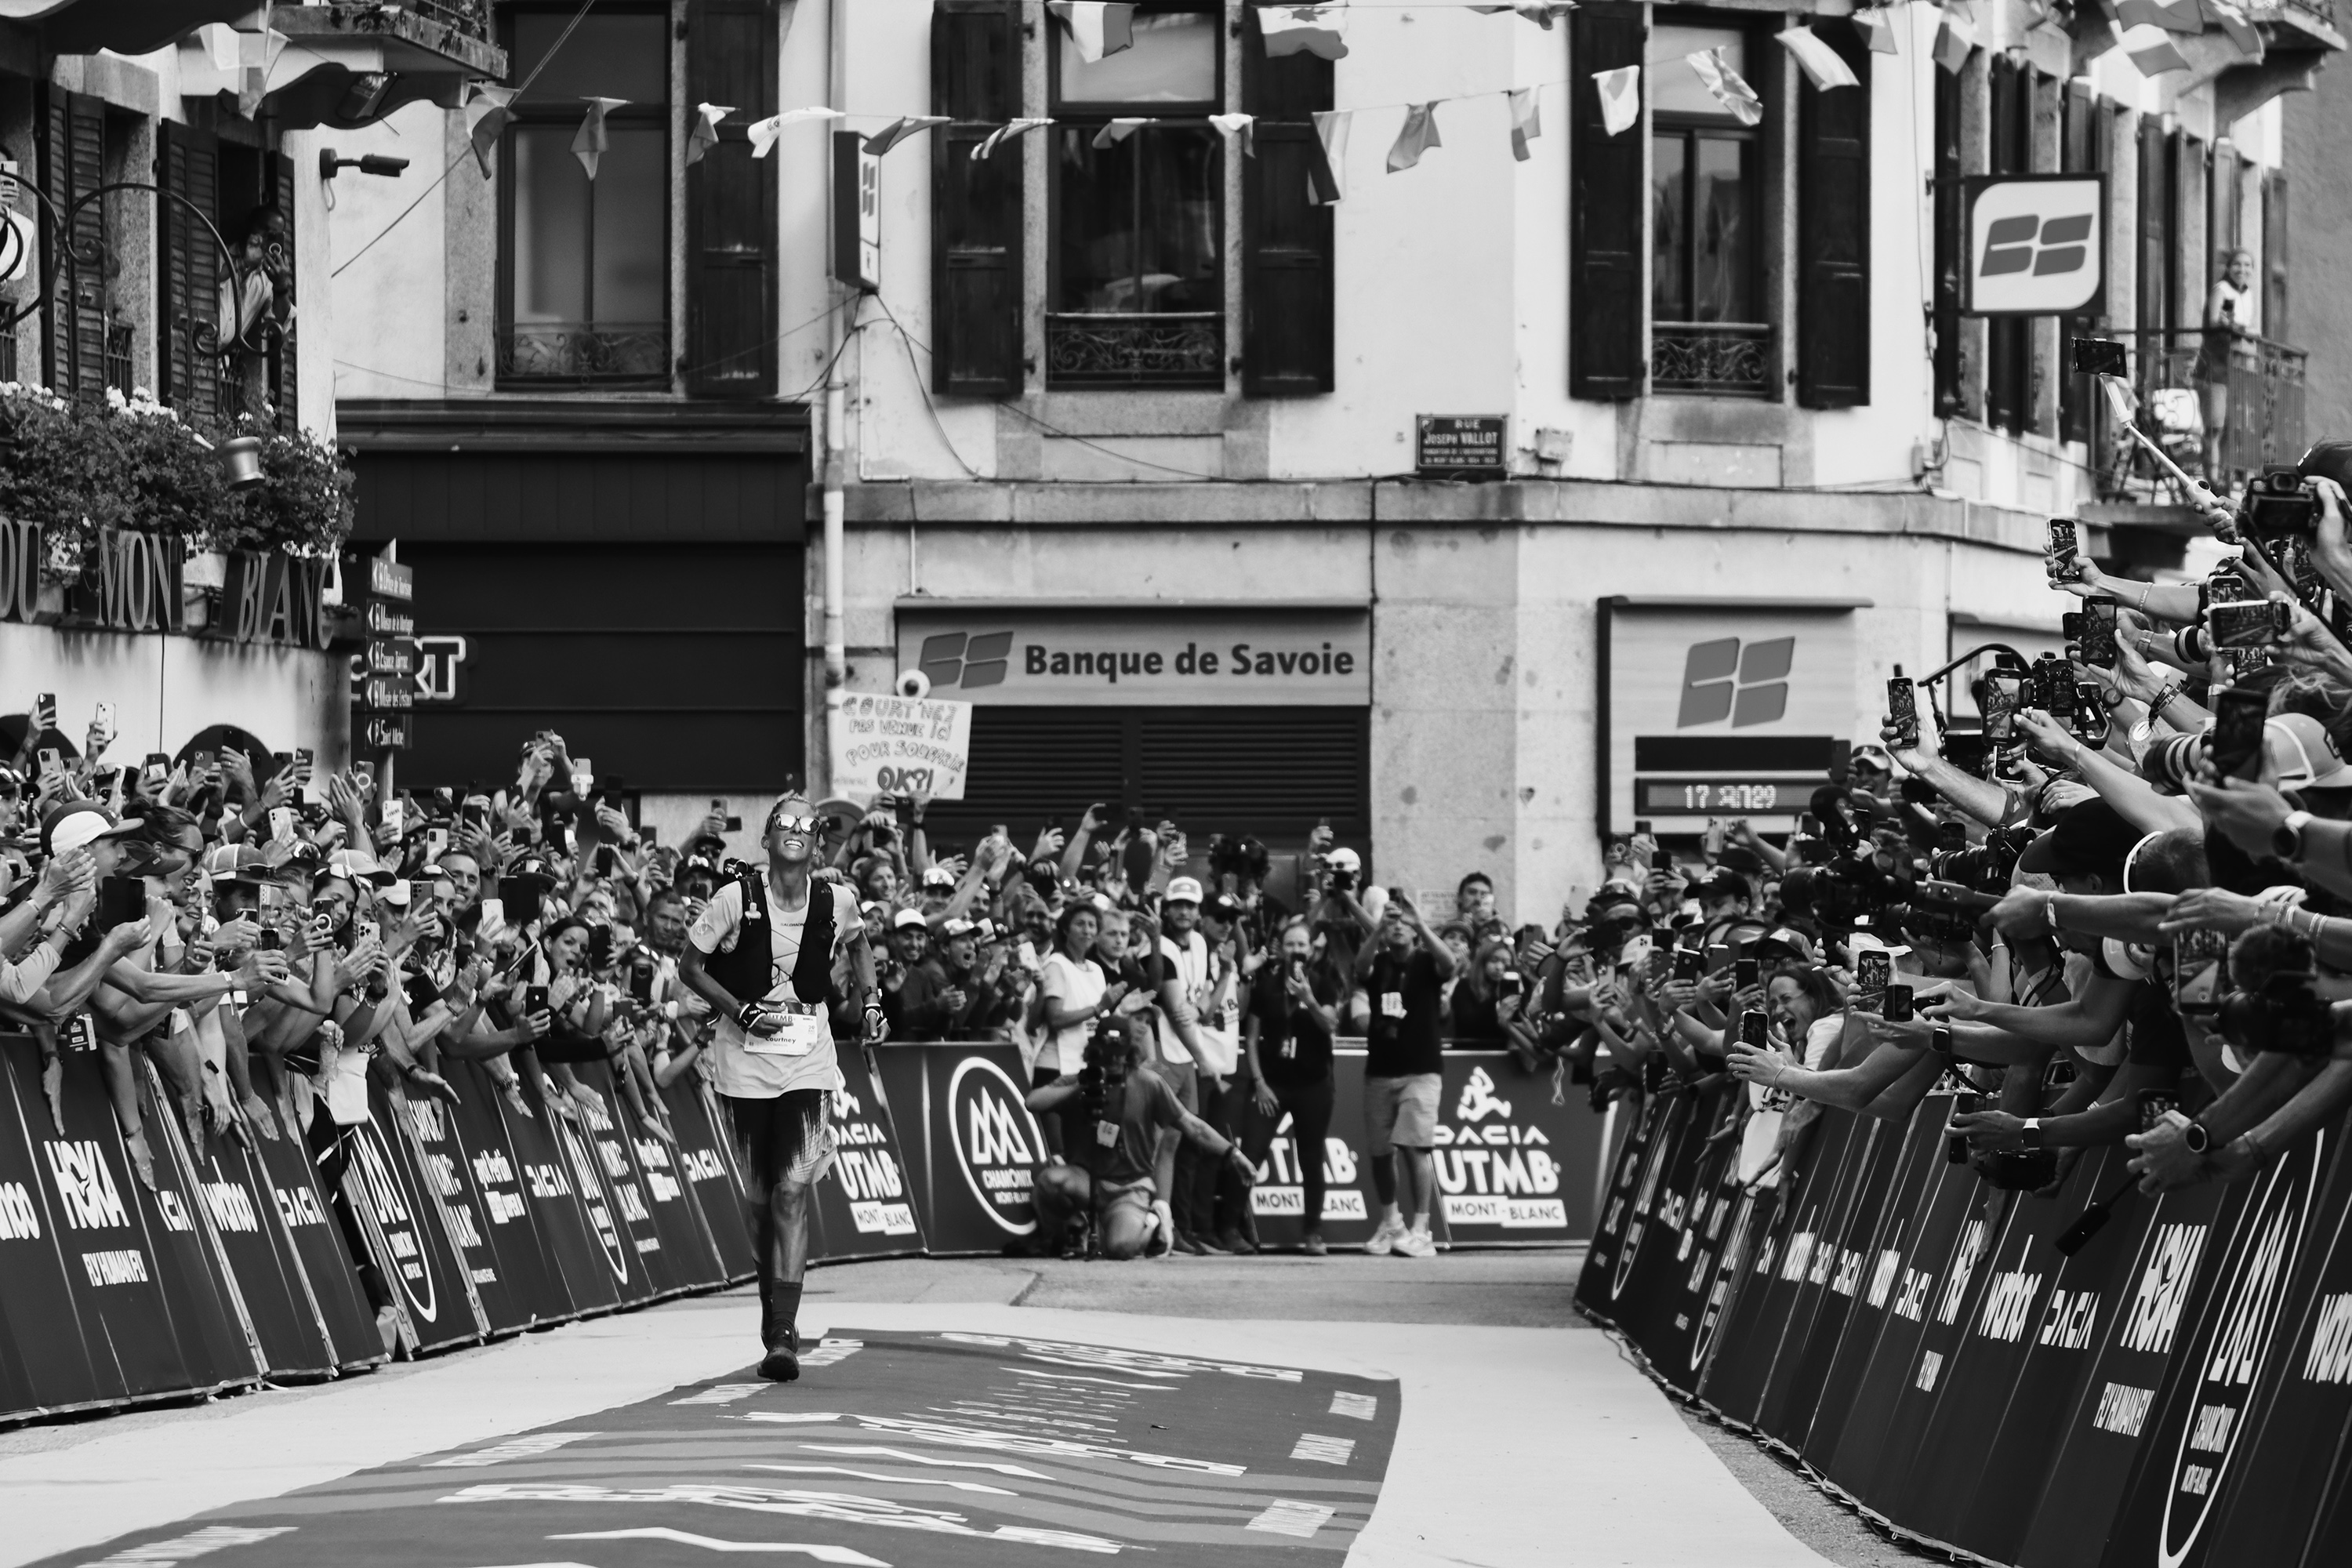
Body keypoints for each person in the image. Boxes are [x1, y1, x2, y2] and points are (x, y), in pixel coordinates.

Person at [679, 793, 879, 1383]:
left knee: (793, 1190)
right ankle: (774, 1317)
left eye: (807, 826)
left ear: (819, 843)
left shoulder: (837, 900)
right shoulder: (733, 899)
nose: (795, 832)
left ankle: (785, 1334)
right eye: (784, 824)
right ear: (766, 838)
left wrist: (871, 1003)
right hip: (742, 1060)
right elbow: (691, 968)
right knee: (761, 1202)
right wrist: (740, 1012)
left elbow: (861, 944)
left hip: (808, 1059)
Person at [1026, 1014, 1257, 1259]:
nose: (1114, 1059)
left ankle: (1154, 1222)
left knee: (1121, 1248)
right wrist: (1081, 1086)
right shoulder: (1080, 1080)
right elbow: (1032, 1102)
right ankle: (1078, 1226)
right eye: (1108, 1052)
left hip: (1129, 1187)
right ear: (1096, 1051)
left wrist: (1234, 1154)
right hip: (1087, 1181)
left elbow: (1192, 1126)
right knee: (1049, 1182)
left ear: (1130, 1052)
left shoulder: (1149, 1083)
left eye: (1120, 1053)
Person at [1354, 887, 1454, 1257]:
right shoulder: (1379, 964)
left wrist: (1421, 924)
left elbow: (1451, 966)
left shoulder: (1427, 962)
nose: (1398, 927)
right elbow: (1360, 968)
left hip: (1421, 1071)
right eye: (1392, 920)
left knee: (1414, 1148)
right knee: (1380, 1152)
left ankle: (1422, 1229)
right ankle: (1391, 1222)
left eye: (1403, 923)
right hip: (1379, 1070)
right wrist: (1378, 930)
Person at [1240, 916, 1342, 1254]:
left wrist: (1309, 999)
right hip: (1272, 1085)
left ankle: (1313, 1232)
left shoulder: (1324, 983)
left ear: (1312, 949)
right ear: (1280, 950)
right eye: (1290, 944)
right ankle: (1229, 1228)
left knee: (1311, 1159)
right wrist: (1259, 1082)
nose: (1296, 950)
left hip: (1313, 1086)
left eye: (1302, 944)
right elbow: (1251, 1039)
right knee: (1251, 1153)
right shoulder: (1266, 985)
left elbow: (1330, 1027)